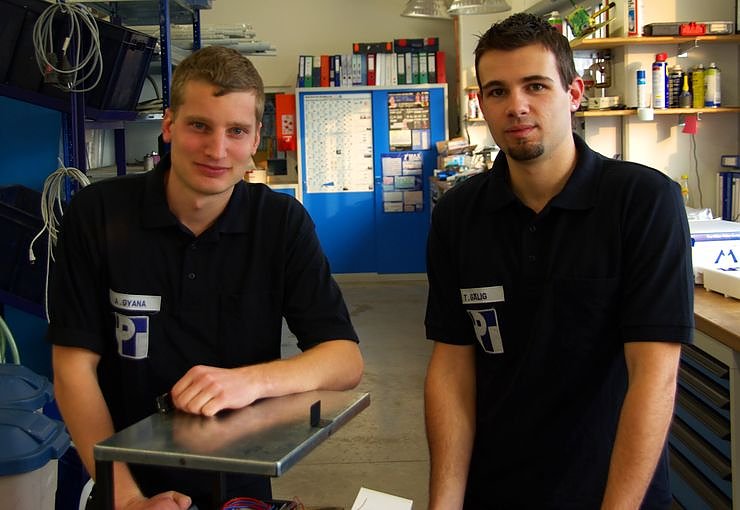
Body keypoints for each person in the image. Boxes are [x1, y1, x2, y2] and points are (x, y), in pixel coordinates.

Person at [48, 45, 363, 510]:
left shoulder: (280, 223)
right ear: (169, 125)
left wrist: (252, 382)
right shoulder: (98, 215)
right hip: (123, 484)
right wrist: (129, 499)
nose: (217, 150)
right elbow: (73, 368)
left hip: (240, 486)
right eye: (199, 126)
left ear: (255, 138)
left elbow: (344, 360)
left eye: (236, 131)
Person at [424, 13, 693, 509]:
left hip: (611, 492)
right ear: (482, 102)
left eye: (536, 86)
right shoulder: (459, 215)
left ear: (574, 93)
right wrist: (444, 503)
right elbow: (452, 369)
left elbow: (654, 376)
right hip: (495, 489)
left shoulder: (642, 202)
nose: (517, 106)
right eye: (498, 91)